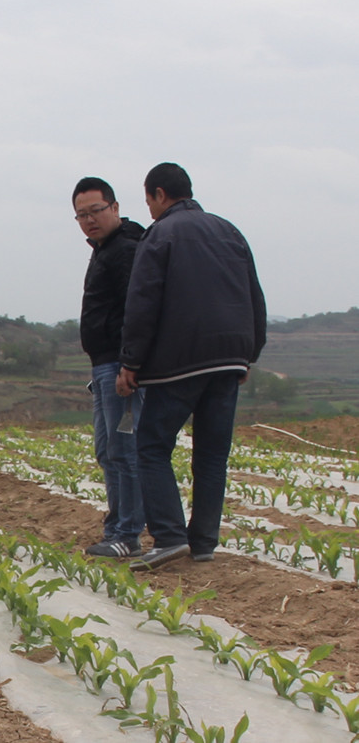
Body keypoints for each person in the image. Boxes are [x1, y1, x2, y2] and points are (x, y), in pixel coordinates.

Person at [117, 163, 266, 570]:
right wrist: (249, 352)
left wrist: (131, 361)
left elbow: (143, 300)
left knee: (151, 445)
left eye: (148, 200)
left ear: (160, 195)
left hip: (179, 361)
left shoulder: (160, 234)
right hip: (230, 359)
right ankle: (203, 544)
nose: (148, 208)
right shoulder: (229, 230)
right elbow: (254, 294)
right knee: (213, 454)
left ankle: (168, 536)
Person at [72, 177, 146, 558]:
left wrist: (130, 365)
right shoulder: (104, 250)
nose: (89, 220)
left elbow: (138, 311)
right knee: (108, 450)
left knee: (123, 449)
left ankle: (127, 534)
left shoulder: (126, 250)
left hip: (121, 369)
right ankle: (117, 527)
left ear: (114, 208)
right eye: (81, 215)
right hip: (104, 366)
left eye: (95, 211)